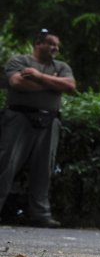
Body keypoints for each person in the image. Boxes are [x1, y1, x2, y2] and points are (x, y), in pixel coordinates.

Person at [0, 29, 76, 227]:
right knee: (6, 163)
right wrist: (53, 85)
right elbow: (17, 82)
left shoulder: (61, 66)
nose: (55, 48)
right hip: (19, 117)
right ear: (38, 43)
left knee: (44, 168)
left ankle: (40, 214)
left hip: (49, 121)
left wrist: (37, 77)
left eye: (57, 46)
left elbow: (70, 86)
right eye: (51, 44)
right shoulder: (20, 61)